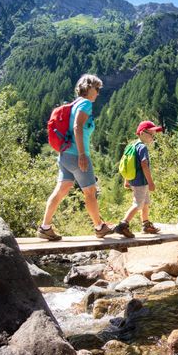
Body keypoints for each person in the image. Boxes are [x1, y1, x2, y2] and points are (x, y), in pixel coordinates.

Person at [37, 74, 114, 240]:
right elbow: (77, 127)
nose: (98, 93)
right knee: (90, 192)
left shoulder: (74, 104)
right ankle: (99, 227)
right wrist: (82, 154)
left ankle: (45, 227)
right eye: (97, 88)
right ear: (88, 88)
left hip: (65, 155)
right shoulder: (85, 103)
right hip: (76, 155)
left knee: (61, 190)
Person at [114, 121, 163, 238]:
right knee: (138, 204)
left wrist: (127, 180)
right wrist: (151, 182)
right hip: (141, 181)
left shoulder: (132, 145)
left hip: (135, 180)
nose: (153, 136)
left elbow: (126, 163)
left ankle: (146, 224)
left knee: (145, 202)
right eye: (151, 133)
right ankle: (122, 225)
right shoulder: (142, 147)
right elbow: (144, 164)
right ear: (142, 133)